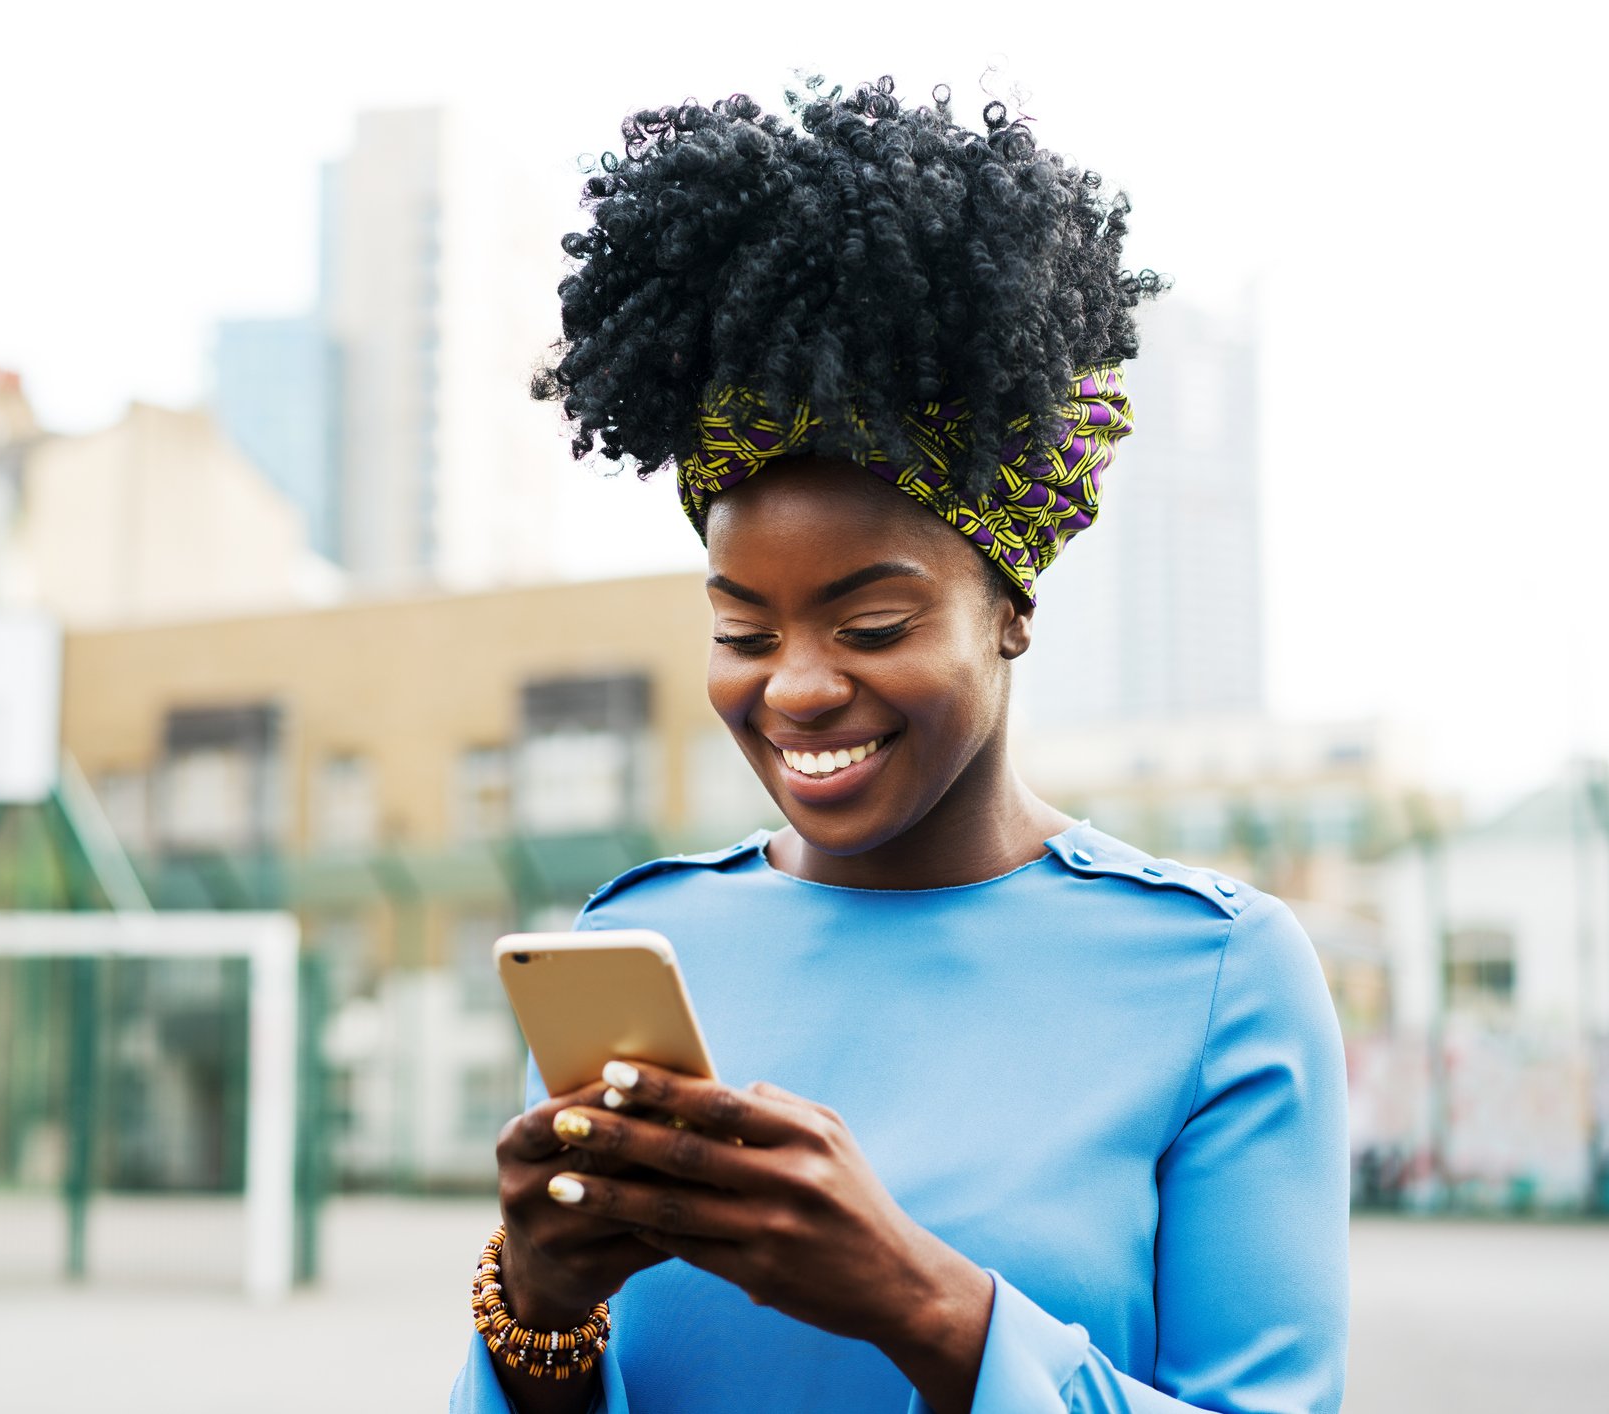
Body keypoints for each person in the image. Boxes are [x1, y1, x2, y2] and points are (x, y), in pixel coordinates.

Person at [450, 78, 1347, 1414]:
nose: (797, 687)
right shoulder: (640, 944)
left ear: (1011, 609)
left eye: (870, 620)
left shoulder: (1219, 977)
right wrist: (536, 1312)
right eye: (742, 629)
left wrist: (925, 1303)